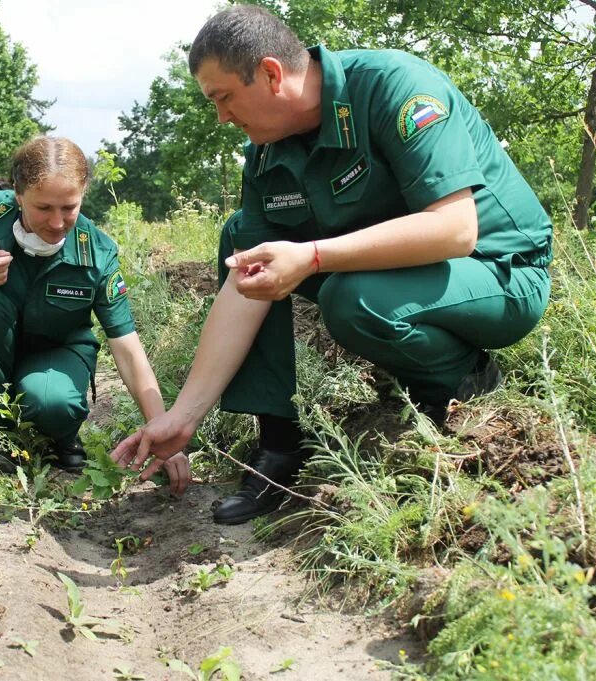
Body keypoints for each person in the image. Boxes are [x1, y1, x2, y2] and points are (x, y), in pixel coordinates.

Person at [111, 6, 552, 524]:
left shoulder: (395, 88)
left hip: (497, 272)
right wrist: (183, 417)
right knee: (243, 238)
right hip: (404, 275)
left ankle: (460, 382)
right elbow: (244, 285)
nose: (222, 118)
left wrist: (313, 256)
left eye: (224, 98)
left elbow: (455, 229)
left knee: (353, 297)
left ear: (272, 74)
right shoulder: (268, 154)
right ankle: (278, 447)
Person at [0, 136, 189, 493]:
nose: (58, 222)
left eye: (69, 208)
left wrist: (163, 428)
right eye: (43, 208)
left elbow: (126, 348)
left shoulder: (96, 251)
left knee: (52, 402)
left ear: (83, 196)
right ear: (18, 194)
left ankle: (57, 433)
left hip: (54, 355)